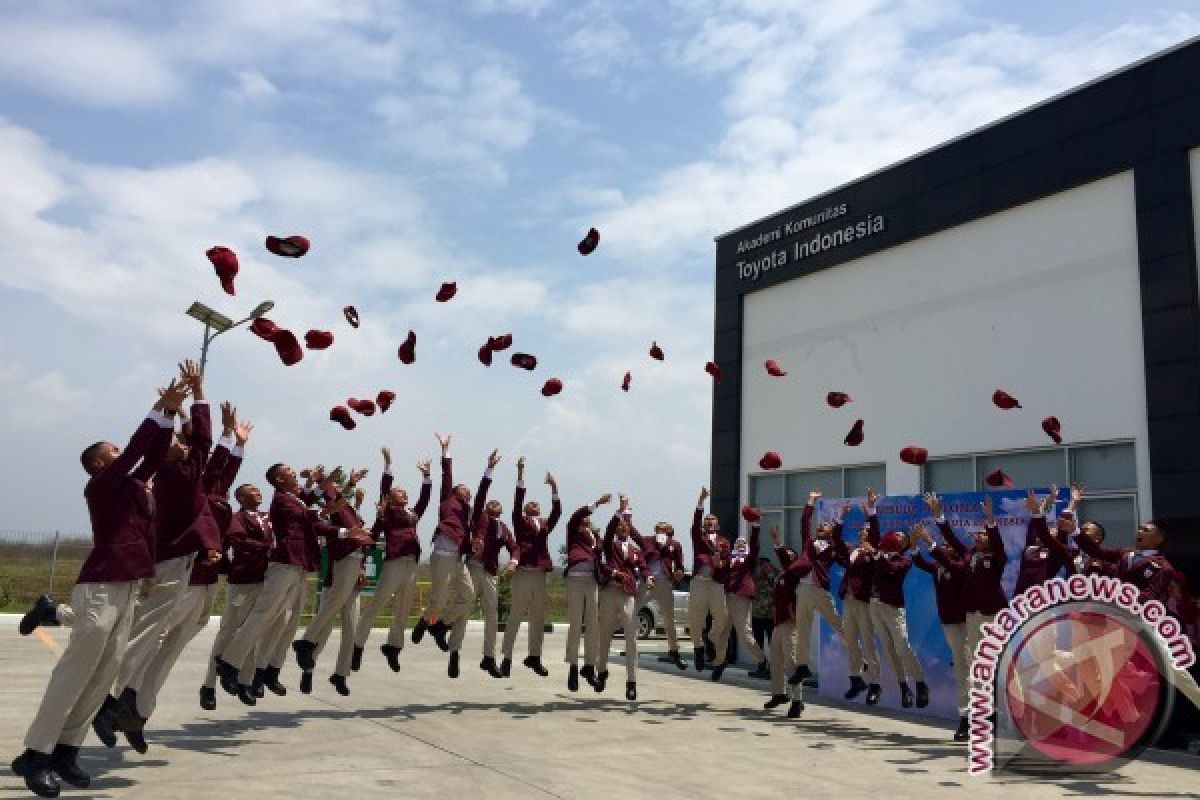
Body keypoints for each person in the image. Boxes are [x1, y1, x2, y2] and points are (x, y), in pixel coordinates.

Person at [11, 375, 183, 798]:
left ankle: (67, 748)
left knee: (103, 674)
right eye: (115, 452)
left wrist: (170, 415)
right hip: (102, 586)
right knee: (75, 673)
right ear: (100, 464)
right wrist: (157, 409)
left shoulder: (133, 487)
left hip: (127, 587)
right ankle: (36, 754)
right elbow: (140, 450)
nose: (122, 455)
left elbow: (154, 455)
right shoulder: (103, 484)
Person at [96, 361, 220, 754]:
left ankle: (126, 702)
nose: (184, 445)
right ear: (164, 455)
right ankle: (108, 698)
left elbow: (198, 442)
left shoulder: (173, 472)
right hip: (169, 563)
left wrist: (183, 407)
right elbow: (200, 442)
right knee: (145, 633)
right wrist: (193, 401)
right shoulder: (175, 477)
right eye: (176, 444)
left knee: (153, 635)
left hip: (179, 564)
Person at [214, 464, 372, 697]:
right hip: (285, 563)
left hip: (299, 565)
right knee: (263, 614)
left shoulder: (295, 499)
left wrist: (344, 532)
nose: (293, 471)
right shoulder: (281, 500)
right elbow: (308, 515)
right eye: (288, 470)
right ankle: (229, 663)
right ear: (279, 479)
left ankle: (265, 670)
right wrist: (327, 509)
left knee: (287, 620)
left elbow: (313, 516)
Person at [130, 408, 249, 720]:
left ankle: (140, 708)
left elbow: (224, 468)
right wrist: (209, 427)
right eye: (179, 443)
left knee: (177, 640)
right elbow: (207, 454)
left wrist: (237, 442)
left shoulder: (211, 488)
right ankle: (121, 698)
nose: (184, 447)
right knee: (153, 635)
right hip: (186, 573)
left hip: (207, 578)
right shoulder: (181, 481)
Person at [351, 448, 432, 675]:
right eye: (400, 492)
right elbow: (385, 490)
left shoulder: (412, 513)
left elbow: (424, 499)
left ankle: (393, 647)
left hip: (411, 564)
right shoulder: (387, 512)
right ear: (391, 498)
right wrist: (388, 464)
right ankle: (357, 646)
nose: (404, 494)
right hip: (395, 562)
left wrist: (426, 476)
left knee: (403, 609)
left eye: (405, 492)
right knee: (377, 605)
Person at [293, 464, 370, 696]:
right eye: (335, 486)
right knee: (324, 627)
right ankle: (307, 660)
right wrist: (322, 479)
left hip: (354, 570)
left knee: (351, 629)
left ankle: (341, 674)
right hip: (338, 574)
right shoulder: (333, 508)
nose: (338, 488)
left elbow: (359, 538)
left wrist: (362, 568)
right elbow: (329, 494)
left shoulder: (349, 510)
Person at [201, 479, 274, 708]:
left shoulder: (269, 518)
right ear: (241, 498)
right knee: (229, 630)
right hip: (242, 583)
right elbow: (240, 543)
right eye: (251, 490)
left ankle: (245, 681)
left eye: (258, 489)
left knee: (253, 633)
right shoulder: (237, 518)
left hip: (264, 581)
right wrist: (269, 549)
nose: (257, 492)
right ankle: (209, 685)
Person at [412, 434, 484, 652]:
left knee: (469, 596)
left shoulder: (470, 513)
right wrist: (445, 450)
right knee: (438, 600)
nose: (468, 492)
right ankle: (427, 621)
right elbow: (447, 475)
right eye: (465, 489)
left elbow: (472, 532)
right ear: (454, 492)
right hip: (443, 554)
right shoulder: (447, 500)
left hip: (458, 559)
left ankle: (440, 625)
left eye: (469, 491)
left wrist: (475, 543)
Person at [861, 490, 930, 709]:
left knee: (902, 646)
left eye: (902, 537)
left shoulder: (904, 560)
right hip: (875, 605)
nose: (897, 536)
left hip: (893, 608)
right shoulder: (879, 551)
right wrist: (872, 509)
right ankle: (904, 688)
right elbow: (874, 534)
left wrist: (875, 552)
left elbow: (890, 568)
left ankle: (920, 683)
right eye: (897, 535)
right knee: (889, 650)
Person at [500, 458, 562, 678]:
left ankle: (534, 657)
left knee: (538, 617)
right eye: (531, 503)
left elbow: (557, 512)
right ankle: (506, 658)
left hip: (540, 574)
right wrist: (520, 474)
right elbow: (517, 504)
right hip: (524, 572)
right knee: (516, 615)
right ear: (527, 510)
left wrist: (554, 487)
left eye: (537, 503)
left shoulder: (545, 523)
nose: (535, 504)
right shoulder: (520, 520)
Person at [910, 516, 968, 741]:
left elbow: (948, 563)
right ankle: (965, 717)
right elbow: (920, 562)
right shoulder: (937, 568)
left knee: (970, 668)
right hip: (949, 622)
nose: (944, 549)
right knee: (961, 668)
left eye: (947, 547)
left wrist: (930, 541)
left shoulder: (960, 566)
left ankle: (980, 714)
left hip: (966, 622)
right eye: (942, 546)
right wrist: (915, 544)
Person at [458, 464, 515, 679]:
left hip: (490, 572)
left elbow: (514, 547)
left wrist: (513, 562)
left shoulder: (503, 528)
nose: (495, 510)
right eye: (491, 507)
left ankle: (489, 658)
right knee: (464, 608)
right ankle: (455, 651)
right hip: (473, 566)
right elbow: (481, 495)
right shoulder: (479, 518)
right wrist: (489, 469)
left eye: (498, 509)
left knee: (492, 615)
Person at [789, 490, 848, 688]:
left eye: (826, 525)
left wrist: (840, 519)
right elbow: (804, 522)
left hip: (820, 590)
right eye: (821, 524)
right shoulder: (809, 543)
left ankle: (859, 658)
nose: (822, 526)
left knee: (838, 624)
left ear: (831, 531)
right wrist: (810, 502)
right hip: (804, 589)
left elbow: (842, 552)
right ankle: (802, 666)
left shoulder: (833, 547)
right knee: (803, 630)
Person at [597, 498, 649, 700]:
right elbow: (609, 531)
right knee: (605, 634)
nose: (623, 528)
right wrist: (619, 511)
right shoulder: (609, 545)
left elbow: (643, 567)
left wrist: (649, 578)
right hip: (610, 591)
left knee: (632, 639)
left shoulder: (636, 550)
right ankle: (601, 672)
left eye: (626, 526)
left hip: (628, 595)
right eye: (620, 526)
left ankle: (631, 681)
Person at [562, 494, 612, 691]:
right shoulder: (573, 530)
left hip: (592, 580)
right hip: (575, 579)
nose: (586, 519)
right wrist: (597, 503)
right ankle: (573, 667)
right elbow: (576, 515)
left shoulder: (595, 536)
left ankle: (589, 666)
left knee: (593, 625)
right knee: (575, 624)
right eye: (584, 517)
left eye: (587, 518)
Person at [839, 498, 882, 705]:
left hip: (864, 602)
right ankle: (855, 679)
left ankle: (874, 684)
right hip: (848, 601)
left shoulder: (874, 555)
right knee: (850, 641)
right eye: (861, 532)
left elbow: (875, 533)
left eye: (866, 532)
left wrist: (871, 513)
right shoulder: (851, 551)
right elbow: (837, 543)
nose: (863, 535)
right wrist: (842, 518)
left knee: (868, 643)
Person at [764, 525, 806, 719]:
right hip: (778, 622)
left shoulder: (795, 574)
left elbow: (785, 560)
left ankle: (797, 700)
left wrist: (776, 542)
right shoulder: (782, 574)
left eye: (790, 554)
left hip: (790, 621)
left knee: (791, 662)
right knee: (776, 661)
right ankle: (779, 693)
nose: (786, 556)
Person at [689, 487, 731, 674]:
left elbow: (729, 560)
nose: (709, 521)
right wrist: (701, 501)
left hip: (715, 583)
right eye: (707, 519)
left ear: (718, 524)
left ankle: (711, 639)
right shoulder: (699, 538)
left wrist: (720, 563)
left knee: (721, 618)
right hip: (699, 581)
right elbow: (695, 524)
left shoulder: (724, 541)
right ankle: (698, 648)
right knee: (696, 619)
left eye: (712, 519)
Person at [725, 513, 768, 679]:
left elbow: (755, 545)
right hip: (727, 595)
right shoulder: (729, 558)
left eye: (744, 543)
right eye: (738, 543)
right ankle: (719, 660)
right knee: (720, 629)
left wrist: (756, 526)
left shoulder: (749, 559)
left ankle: (762, 661)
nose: (741, 545)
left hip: (742, 596)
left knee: (744, 633)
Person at [751, 559, 776, 655]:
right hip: (757, 615)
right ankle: (761, 664)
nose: (764, 568)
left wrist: (770, 573)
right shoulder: (754, 578)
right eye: (761, 565)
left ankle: (774, 665)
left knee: (773, 643)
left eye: (766, 565)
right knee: (758, 642)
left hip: (771, 615)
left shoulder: (774, 576)